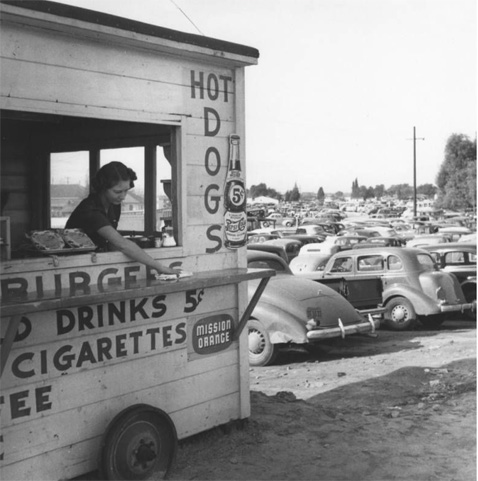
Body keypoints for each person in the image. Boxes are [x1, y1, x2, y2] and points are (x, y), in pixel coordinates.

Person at [66, 161, 184, 277]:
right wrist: (160, 268)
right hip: (72, 265)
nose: (123, 196)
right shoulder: (90, 210)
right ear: (102, 188)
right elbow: (122, 244)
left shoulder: (114, 204)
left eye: (126, 190)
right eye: (117, 192)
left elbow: (112, 242)